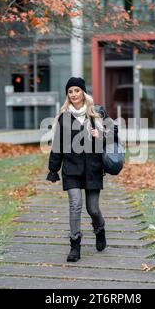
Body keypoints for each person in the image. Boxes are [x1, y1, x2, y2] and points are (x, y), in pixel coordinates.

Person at [46, 77, 117, 262]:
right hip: (71, 170)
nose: (74, 94)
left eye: (77, 90)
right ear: (67, 95)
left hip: (93, 168)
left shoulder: (97, 112)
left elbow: (115, 132)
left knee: (92, 209)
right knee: (75, 205)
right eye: (70, 92)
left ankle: (100, 229)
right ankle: (74, 245)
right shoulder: (64, 117)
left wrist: (100, 133)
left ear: (83, 92)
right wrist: (53, 169)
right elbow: (57, 145)